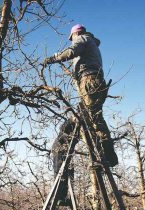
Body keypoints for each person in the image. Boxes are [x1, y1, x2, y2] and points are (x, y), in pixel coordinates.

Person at [43, 24, 118, 167]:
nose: (72, 40)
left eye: (72, 38)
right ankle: (105, 156)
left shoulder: (82, 39)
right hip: (94, 80)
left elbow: (71, 51)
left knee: (94, 118)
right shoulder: (92, 45)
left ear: (75, 34)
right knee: (93, 117)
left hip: (89, 80)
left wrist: (53, 58)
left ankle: (108, 157)